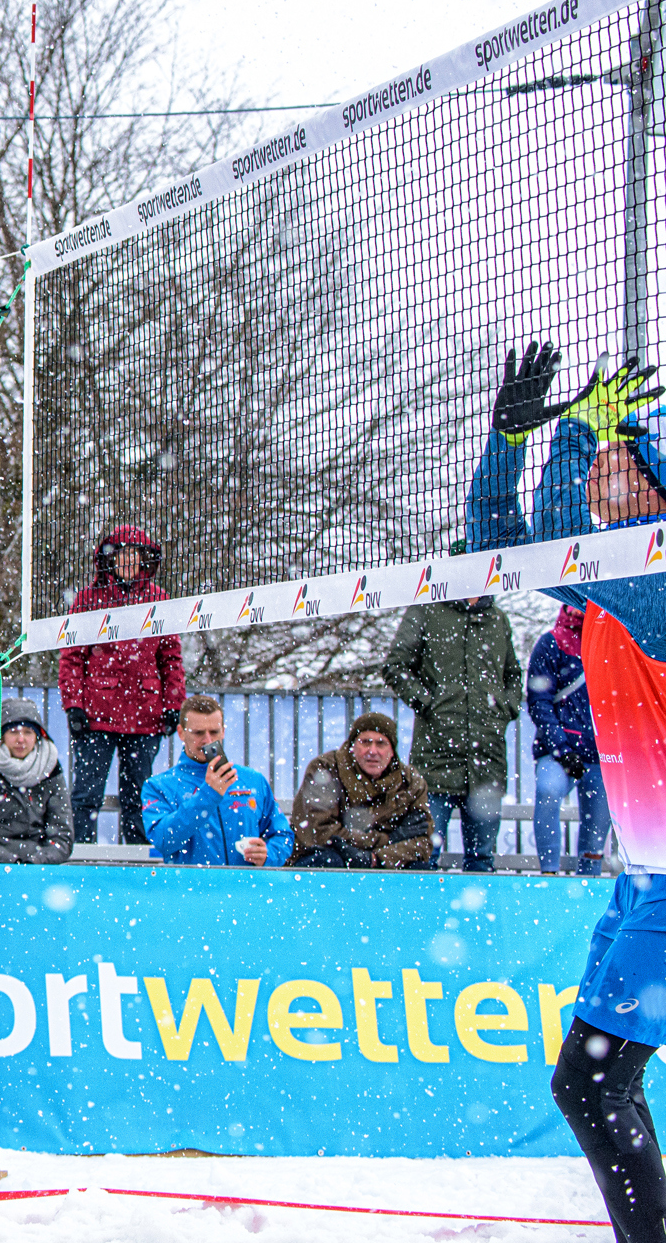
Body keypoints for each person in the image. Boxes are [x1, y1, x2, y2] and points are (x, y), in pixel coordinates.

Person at [464, 343, 666, 1238]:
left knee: (588, 1084)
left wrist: (578, 436)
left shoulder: (654, 580)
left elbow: (551, 543)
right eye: (604, 461)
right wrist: (515, 439)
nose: (601, 476)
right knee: (594, 1082)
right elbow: (493, 548)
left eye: (626, 464)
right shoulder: (605, 592)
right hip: (643, 874)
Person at [379, 584, 523, 872]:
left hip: (487, 761)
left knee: (482, 860)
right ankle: (423, 916)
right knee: (422, 855)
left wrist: (505, 709)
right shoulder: (426, 611)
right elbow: (396, 666)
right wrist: (430, 704)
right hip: (435, 759)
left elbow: (513, 675)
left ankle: (479, 916)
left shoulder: (497, 619)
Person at [57, 526, 185, 845]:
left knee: (138, 797)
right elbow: (71, 656)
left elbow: (171, 658)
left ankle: (139, 860)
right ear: (109, 560)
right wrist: (73, 705)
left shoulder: (159, 599)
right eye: (122, 554)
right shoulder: (89, 599)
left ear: (144, 559)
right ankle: (79, 857)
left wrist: (173, 706)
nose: (128, 561)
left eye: (134, 554)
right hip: (95, 716)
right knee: (86, 793)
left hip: (146, 717)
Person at [141, 695, 291, 868]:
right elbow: (164, 840)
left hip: (246, 890)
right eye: (198, 733)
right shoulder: (159, 786)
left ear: (224, 731)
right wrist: (209, 794)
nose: (208, 741)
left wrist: (268, 854)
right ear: (181, 733)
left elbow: (283, 835)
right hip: (191, 891)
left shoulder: (252, 780)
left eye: (214, 732)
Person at [288, 713, 434, 869]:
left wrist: (377, 859)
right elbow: (319, 832)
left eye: (381, 743)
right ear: (352, 746)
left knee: (420, 871)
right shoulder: (325, 770)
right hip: (327, 856)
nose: (372, 751)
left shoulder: (410, 782)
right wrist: (388, 839)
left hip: (384, 862)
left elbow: (423, 841)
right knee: (329, 862)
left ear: (392, 751)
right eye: (365, 742)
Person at [528, 604, 608, 875]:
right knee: (548, 793)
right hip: (558, 750)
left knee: (599, 819)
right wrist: (561, 748)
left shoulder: (610, 643)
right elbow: (539, 701)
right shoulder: (551, 643)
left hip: (601, 752)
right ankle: (549, 872)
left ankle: (590, 877)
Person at [0, 698, 71, 865]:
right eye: (13, 731)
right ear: (2, 736)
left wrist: (34, 862)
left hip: (39, 869)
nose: (21, 739)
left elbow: (62, 838)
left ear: (37, 736)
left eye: (28, 732)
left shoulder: (52, 772)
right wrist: (9, 861)